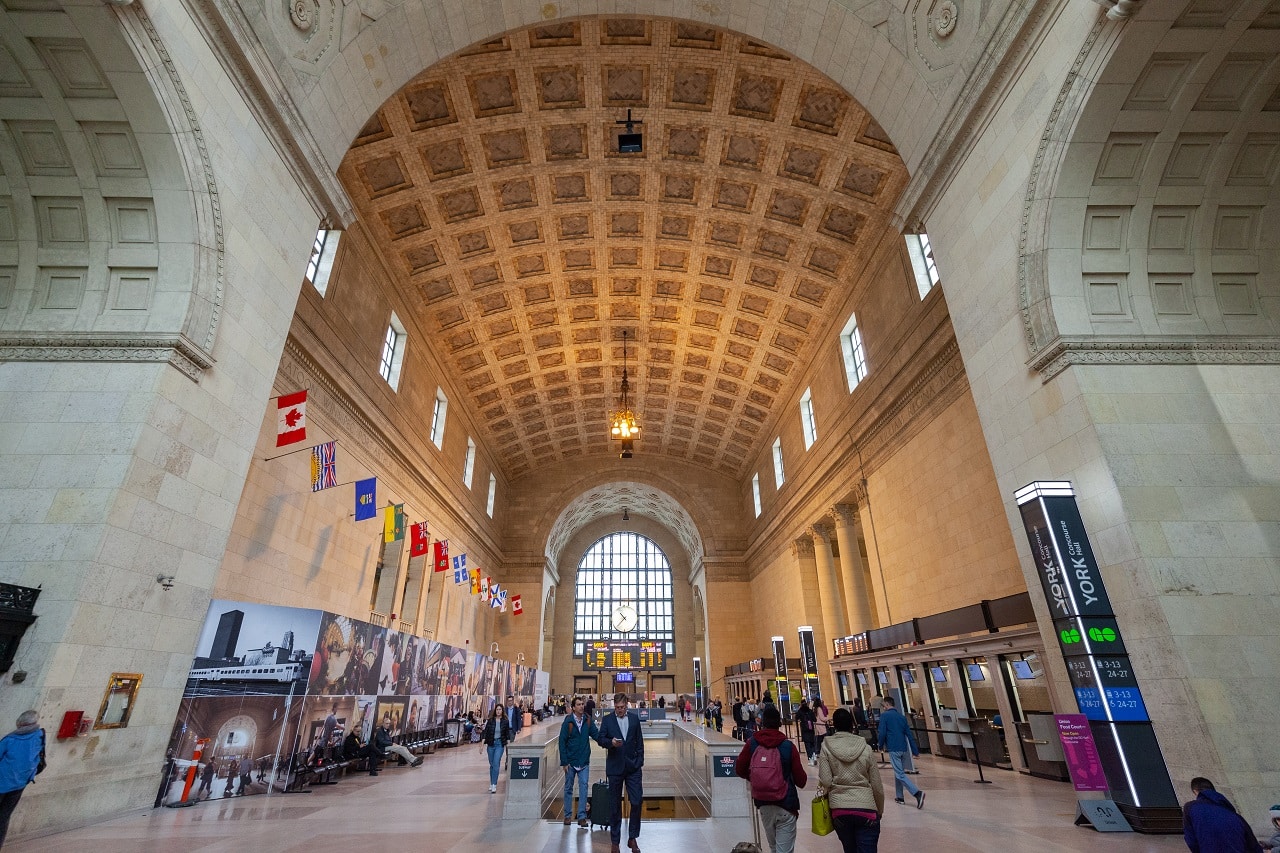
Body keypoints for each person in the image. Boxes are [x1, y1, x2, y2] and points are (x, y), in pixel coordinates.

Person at [734, 704, 807, 853]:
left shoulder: (752, 744)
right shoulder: (787, 746)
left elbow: (739, 769)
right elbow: (801, 781)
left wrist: (756, 777)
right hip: (786, 804)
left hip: (764, 804)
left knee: (774, 848)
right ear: (779, 724)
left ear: (762, 722)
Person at [818, 707, 885, 853]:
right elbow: (877, 786)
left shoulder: (826, 747)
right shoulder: (865, 748)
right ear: (852, 725)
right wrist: (879, 810)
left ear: (834, 725)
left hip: (840, 809)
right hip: (866, 807)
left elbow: (826, 781)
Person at [597, 693, 645, 853]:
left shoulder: (634, 720)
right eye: (617, 708)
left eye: (622, 707)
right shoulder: (608, 720)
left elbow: (639, 742)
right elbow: (600, 739)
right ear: (614, 706)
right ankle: (615, 842)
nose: (619, 710)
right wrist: (610, 743)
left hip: (633, 768)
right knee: (614, 806)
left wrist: (639, 762)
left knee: (637, 801)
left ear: (627, 705)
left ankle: (632, 837)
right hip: (615, 768)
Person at [1181, 777, 1261, 852]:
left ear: (1195, 791)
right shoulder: (1235, 816)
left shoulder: (1191, 807)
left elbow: (1191, 841)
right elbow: (1253, 845)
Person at [0, 711, 42, 847]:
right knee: (4, 817)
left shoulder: (10, 739)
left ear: (20, 723)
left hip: (2, 783)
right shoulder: (40, 735)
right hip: (19, 785)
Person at [558, 695, 599, 827]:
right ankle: (568, 816)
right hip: (570, 761)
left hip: (584, 760)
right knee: (568, 788)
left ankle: (582, 816)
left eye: (583, 704)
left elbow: (596, 735)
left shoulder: (587, 720)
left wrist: (609, 741)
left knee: (583, 787)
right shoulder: (568, 722)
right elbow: (562, 742)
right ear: (573, 707)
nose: (582, 706)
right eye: (579, 704)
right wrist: (564, 762)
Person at [876, 696, 923, 808]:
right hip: (903, 748)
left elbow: (882, 732)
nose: (883, 708)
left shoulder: (885, 716)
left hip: (893, 747)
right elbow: (909, 735)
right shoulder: (901, 717)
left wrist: (880, 745)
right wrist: (915, 751)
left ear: (887, 705)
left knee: (900, 774)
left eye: (883, 706)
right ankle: (900, 796)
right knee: (898, 772)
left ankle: (917, 793)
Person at [482, 702, 512, 794]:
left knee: (496, 763)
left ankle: (494, 784)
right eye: (497, 709)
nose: (498, 711)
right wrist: (481, 745)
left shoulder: (505, 721)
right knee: (491, 764)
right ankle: (491, 783)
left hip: (499, 744)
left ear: (502, 711)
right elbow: (485, 733)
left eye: (500, 709)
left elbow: (507, 734)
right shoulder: (490, 721)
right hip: (491, 744)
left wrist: (509, 746)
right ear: (495, 711)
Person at [795, 699, 817, 765]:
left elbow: (796, 718)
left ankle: (810, 759)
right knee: (812, 742)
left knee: (807, 744)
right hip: (811, 729)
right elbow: (814, 719)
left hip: (804, 729)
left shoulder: (800, 711)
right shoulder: (810, 711)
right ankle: (814, 754)